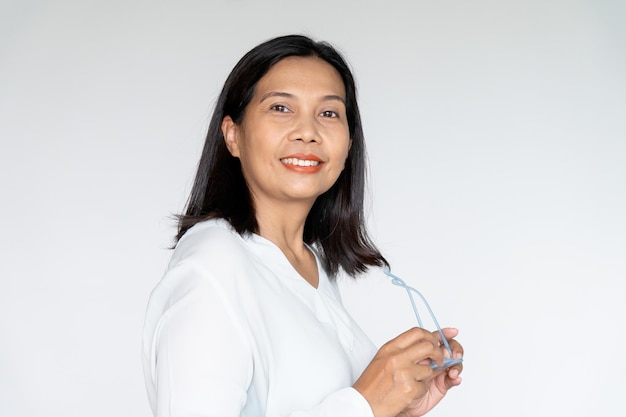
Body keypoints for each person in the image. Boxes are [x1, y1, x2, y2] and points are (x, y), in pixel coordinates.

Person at [141, 34, 463, 417]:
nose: (307, 131)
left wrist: (397, 408)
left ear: (348, 144)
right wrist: (365, 404)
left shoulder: (309, 265)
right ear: (233, 135)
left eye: (328, 113)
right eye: (280, 107)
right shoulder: (214, 264)